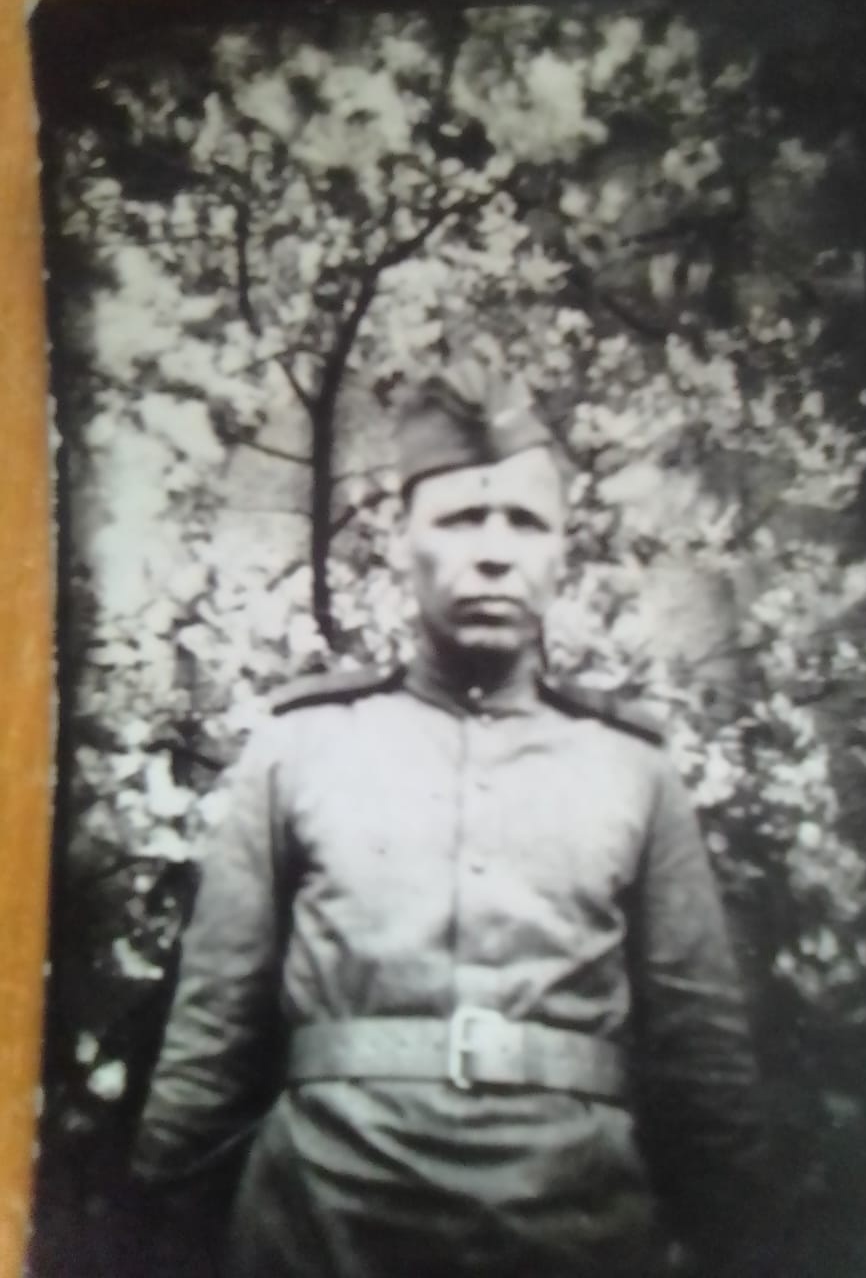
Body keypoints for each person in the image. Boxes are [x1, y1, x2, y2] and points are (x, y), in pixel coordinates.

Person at [133, 362, 769, 1278]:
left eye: (526, 522)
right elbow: (211, 1044)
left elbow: (707, 1070)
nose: (495, 551)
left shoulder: (633, 768)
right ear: (402, 541)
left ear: (562, 553)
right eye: (462, 519)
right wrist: (159, 1229)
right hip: (324, 1230)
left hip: (575, 1232)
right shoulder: (300, 747)